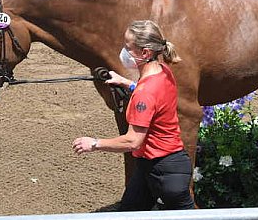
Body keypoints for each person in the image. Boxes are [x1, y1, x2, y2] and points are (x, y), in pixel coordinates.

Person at [72, 19, 194, 211]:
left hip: (165, 173)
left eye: (128, 47)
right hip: (151, 166)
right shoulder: (163, 72)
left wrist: (94, 143)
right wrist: (126, 83)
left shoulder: (145, 93)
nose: (123, 51)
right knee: (128, 213)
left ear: (145, 53)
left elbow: (132, 142)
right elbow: (153, 98)